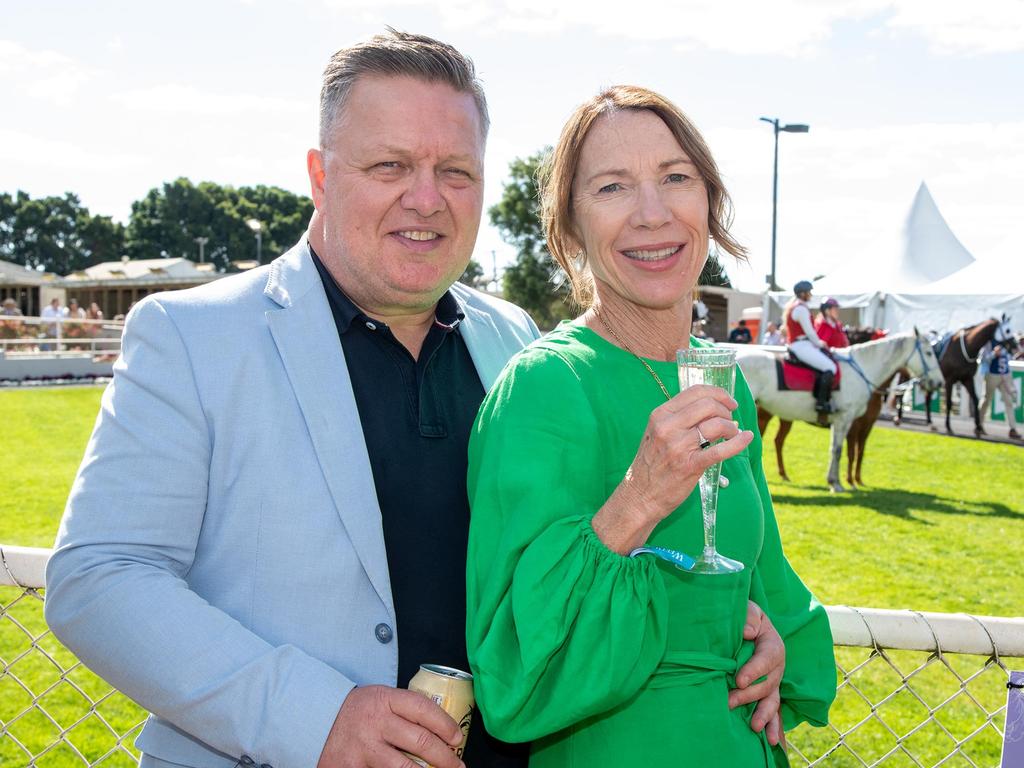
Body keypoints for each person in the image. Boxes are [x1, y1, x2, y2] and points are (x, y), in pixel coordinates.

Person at [46, 30, 550, 768]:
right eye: (390, 165)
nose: (427, 197)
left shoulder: (516, 340)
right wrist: (316, 719)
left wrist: (730, 618)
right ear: (319, 174)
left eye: (456, 170)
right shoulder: (193, 335)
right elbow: (99, 577)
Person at [465, 86, 836, 767]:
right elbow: (515, 674)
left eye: (676, 178)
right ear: (571, 226)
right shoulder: (544, 389)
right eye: (612, 187)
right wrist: (640, 496)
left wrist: (769, 644)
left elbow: (763, 580)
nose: (652, 213)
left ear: (710, 202)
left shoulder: (723, 388)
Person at [784, 280, 838, 423]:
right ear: (802, 293)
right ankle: (821, 403)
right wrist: (821, 344)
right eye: (809, 292)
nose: (810, 294)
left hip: (801, 345)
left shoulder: (796, 306)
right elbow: (810, 333)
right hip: (802, 345)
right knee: (830, 367)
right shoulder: (801, 309)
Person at [979, 340, 1021, 440]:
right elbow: (983, 359)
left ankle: (1013, 429)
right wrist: (994, 354)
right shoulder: (989, 342)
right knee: (986, 400)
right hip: (992, 375)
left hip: (1005, 376)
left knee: (1009, 402)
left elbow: (1011, 355)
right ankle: (979, 425)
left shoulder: (1007, 341)